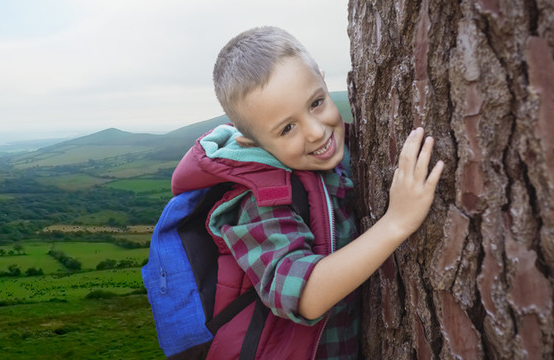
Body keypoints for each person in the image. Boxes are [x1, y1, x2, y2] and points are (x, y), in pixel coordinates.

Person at [170, 26, 444, 359]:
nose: (316, 132)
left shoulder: (342, 155)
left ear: (324, 83)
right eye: (287, 128)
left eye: (316, 103)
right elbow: (303, 295)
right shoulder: (257, 203)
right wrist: (397, 222)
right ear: (252, 142)